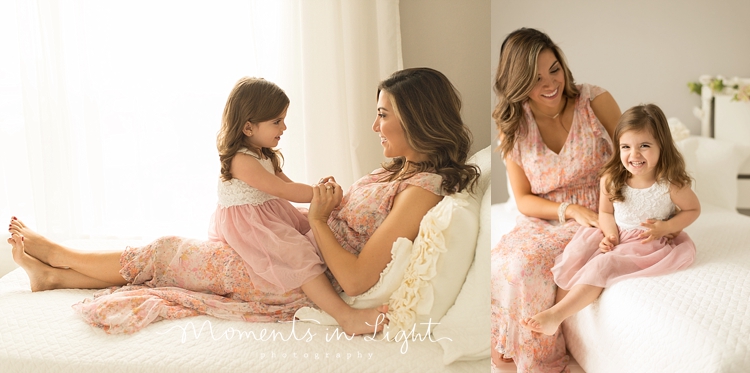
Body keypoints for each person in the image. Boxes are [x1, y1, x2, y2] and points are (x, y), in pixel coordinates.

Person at [8, 67, 479, 336]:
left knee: (167, 252)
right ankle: (53, 273)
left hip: (298, 276)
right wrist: (314, 211)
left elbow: (356, 275)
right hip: (289, 255)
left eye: (382, 115)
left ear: (417, 118)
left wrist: (315, 220)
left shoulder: (421, 191)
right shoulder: (400, 171)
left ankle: (58, 258)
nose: (375, 127)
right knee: (169, 252)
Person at [489, 28, 621, 373]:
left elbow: (632, 156)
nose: (550, 84)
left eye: (554, 70)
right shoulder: (513, 124)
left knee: (528, 267)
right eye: (535, 78)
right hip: (546, 216)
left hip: (598, 213)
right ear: (517, 83)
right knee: (505, 261)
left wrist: (602, 207)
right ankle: (504, 354)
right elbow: (522, 199)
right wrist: (568, 210)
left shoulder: (595, 102)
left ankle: (541, 363)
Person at [521, 103, 699, 336]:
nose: (634, 155)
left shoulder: (670, 183)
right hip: (615, 233)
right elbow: (605, 213)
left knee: (602, 264)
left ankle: (555, 316)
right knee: (578, 253)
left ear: (662, 146)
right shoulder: (612, 179)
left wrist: (666, 226)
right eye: (626, 146)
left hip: (646, 242)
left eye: (644, 146)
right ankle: (558, 323)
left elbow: (692, 210)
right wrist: (610, 235)